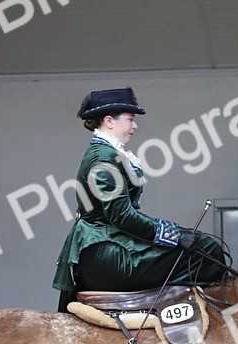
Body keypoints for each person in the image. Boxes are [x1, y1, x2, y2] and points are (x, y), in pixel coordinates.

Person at [53, 87, 228, 311]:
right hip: (107, 255)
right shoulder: (103, 159)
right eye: (130, 119)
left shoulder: (108, 154)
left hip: (108, 245)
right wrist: (173, 235)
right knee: (207, 250)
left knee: (200, 244)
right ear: (109, 121)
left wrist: (176, 232)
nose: (134, 126)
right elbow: (122, 216)